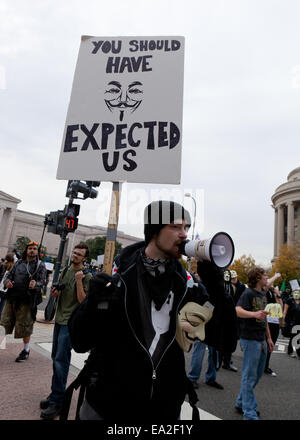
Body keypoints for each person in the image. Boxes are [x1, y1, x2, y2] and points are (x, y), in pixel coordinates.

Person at [66, 200, 233, 421]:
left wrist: (217, 290)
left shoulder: (187, 287)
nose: (184, 234)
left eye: (186, 228)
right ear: (154, 230)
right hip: (107, 407)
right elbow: (80, 341)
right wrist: (94, 304)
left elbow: (223, 340)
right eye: (175, 227)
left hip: (163, 412)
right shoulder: (120, 279)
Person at [39, 243, 92, 420]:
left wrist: (78, 281)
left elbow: (83, 301)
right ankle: (55, 394)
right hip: (59, 320)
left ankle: (58, 401)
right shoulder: (66, 270)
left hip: (71, 323)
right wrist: (54, 293)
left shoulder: (86, 275)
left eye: (79, 254)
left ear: (85, 258)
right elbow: (60, 293)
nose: (75, 256)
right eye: (74, 253)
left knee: (61, 360)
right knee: (56, 358)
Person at [235, 266, 274, 420]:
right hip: (250, 339)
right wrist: (253, 314)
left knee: (256, 375)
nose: (267, 277)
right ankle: (249, 413)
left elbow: (264, 319)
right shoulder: (248, 293)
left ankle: (240, 402)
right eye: (264, 275)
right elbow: (237, 310)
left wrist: (269, 338)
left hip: (262, 339)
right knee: (249, 376)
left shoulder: (262, 294)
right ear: (257, 278)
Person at [0, 241, 46, 362]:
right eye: (30, 248)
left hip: (27, 301)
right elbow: (8, 276)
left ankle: (26, 350)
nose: (32, 250)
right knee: (4, 323)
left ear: (37, 252)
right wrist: (7, 283)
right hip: (12, 298)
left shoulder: (40, 265)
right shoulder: (18, 263)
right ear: (26, 250)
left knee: (24, 327)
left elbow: (43, 282)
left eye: (35, 249)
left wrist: (36, 284)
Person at [220, 270, 246, 372]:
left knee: (231, 339)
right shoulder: (225, 286)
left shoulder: (239, 287)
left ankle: (226, 360)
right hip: (225, 316)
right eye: (232, 279)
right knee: (223, 339)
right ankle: (222, 360)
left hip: (234, 316)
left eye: (234, 279)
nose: (233, 281)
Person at [264, 285, 283, 376]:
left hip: (275, 324)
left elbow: (281, 306)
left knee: (271, 345)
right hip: (266, 322)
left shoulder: (275, 294)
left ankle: (266, 366)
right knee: (264, 344)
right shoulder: (266, 292)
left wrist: (278, 294)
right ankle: (259, 365)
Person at [282, 289, 300, 358]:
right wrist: (283, 321)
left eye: (298, 292)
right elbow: (285, 312)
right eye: (295, 292)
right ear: (292, 293)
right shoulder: (289, 300)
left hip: (299, 321)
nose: (297, 293)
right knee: (294, 337)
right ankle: (292, 352)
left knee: (297, 337)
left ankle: (292, 351)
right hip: (291, 322)